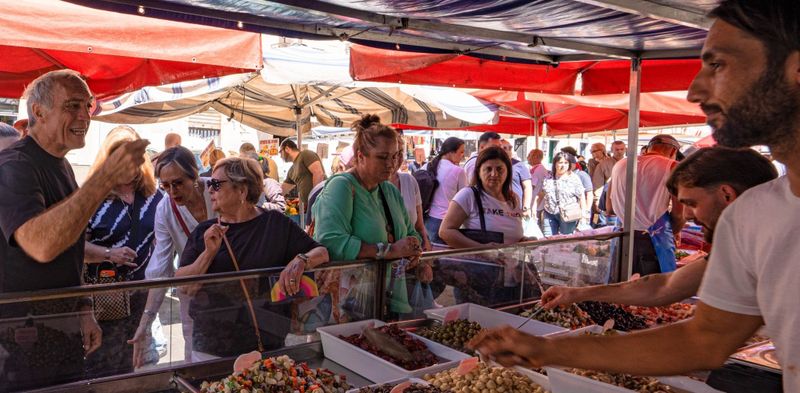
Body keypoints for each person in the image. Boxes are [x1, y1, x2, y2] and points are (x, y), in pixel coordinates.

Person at [471, 3, 800, 392]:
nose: (695, 90)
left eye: (718, 65)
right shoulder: (752, 215)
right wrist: (545, 350)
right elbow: (702, 339)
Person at [0, 70, 146, 389]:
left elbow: (70, 249)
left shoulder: (61, 163)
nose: (85, 116)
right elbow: (40, 245)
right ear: (38, 111)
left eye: (88, 105)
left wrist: (82, 306)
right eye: (72, 106)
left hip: (60, 332)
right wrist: (104, 179)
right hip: (19, 338)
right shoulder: (14, 166)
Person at [540, 147, 777, 309]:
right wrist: (576, 294)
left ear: (727, 194)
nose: (687, 215)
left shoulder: (779, 249)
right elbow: (662, 287)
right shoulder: (740, 250)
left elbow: (708, 341)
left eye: (692, 204)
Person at [176, 157, 328, 359]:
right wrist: (208, 253)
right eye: (210, 184)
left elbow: (322, 252)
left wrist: (301, 260)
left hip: (266, 343)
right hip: (213, 345)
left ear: (242, 190)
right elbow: (184, 286)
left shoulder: (274, 224)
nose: (209, 190)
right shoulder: (205, 231)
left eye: (216, 184)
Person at [312, 115, 423, 316]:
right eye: (382, 157)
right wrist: (388, 251)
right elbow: (330, 241)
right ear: (360, 156)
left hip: (387, 298)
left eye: (395, 155)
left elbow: (409, 231)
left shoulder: (389, 190)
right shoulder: (342, 186)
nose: (391, 163)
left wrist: (414, 246)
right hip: (349, 305)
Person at [82, 126, 164, 378]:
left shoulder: (155, 196)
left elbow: (163, 240)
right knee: (101, 364)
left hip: (141, 293)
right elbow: (74, 249)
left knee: (134, 363)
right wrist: (109, 253)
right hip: (103, 294)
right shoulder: (90, 197)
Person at [129, 146, 217, 367]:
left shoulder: (218, 192)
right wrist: (146, 323)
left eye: (178, 183)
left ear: (194, 175)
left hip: (231, 282)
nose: (172, 191)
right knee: (196, 352)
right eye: (165, 185)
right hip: (193, 288)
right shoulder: (164, 210)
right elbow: (161, 270)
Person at [607, 134, 685, 275]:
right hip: (652, 241)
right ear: (673, 152)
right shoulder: (673, 167)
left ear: (649, 148)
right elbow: (680, 214)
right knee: (654, 290)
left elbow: (610, 208)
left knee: (620, 285)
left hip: (621, 235)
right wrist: (672, 231)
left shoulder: (620, 164)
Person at [439, 146, 524, 248]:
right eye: (488, 169)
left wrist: (523, 240)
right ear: (479, 172)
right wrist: (482, 249)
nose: (494, 174)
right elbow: (445, 232)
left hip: (511, 262)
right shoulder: (468, 195)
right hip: (482, 263)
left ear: (508, 172)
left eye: (499, 169)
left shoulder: (513, 199)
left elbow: (510, 234)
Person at [389, 136, 432, 252]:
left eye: (400, 153)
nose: (396, 159)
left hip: (409, 255)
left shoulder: (409, 181)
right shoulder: (370, 186)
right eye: (391, 154)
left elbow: (419, 225)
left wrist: (425, 244)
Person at [424, 137, 467, 245]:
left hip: (427, 220)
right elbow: (465, 199)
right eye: (461, 152)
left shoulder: (427, 166)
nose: (463, 155)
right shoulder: (458, 171)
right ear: (451, 152)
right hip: (446, 222)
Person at [540, 152, 587, 236]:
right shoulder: (548, 177)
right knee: (548, 238)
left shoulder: (574, 178)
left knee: (566, 240)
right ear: (555, 164)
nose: (563, 165)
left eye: (566, 163)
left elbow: (581, 196)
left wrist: (583, 214)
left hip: (568, 213)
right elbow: (542, 194)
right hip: (550, 212)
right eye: (560, 162)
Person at [280, 139, 326, 207]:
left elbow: (319, 173)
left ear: (287, 148)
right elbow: (282, 190)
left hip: (321, 203)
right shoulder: (291, 170)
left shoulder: (305, 154)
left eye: (280, 152)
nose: (280, 156)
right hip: (310, 205)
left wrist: (315, 199)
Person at [527, 149, 549, 233]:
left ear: (535, 157)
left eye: (529, 155)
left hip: (535, 202)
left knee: (534, 223)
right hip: (537, 201)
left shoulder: (537, 170)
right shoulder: (540, 168)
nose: (527, 157)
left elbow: (531, 186)